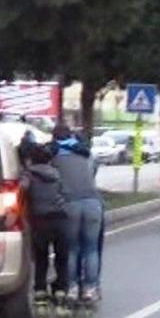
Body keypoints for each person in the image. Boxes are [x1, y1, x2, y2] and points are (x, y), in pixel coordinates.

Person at [51, 126, 104, 305]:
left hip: (70, 204)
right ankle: (90, 288)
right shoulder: (85, 154)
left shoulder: (54, 157)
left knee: (72, 248)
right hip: (93, 203)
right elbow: (93, 172)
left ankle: (72, 287)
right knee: (91, 248)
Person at [21, 145, 68, 318]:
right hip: (60, 219)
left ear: (32, 159)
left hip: (40, 221)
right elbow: (64, 193)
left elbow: (22, 190)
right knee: (61, 258)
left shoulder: (28, 174)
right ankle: (61, 290)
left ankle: (40, 292)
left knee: (41, 259)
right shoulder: (57, 174)